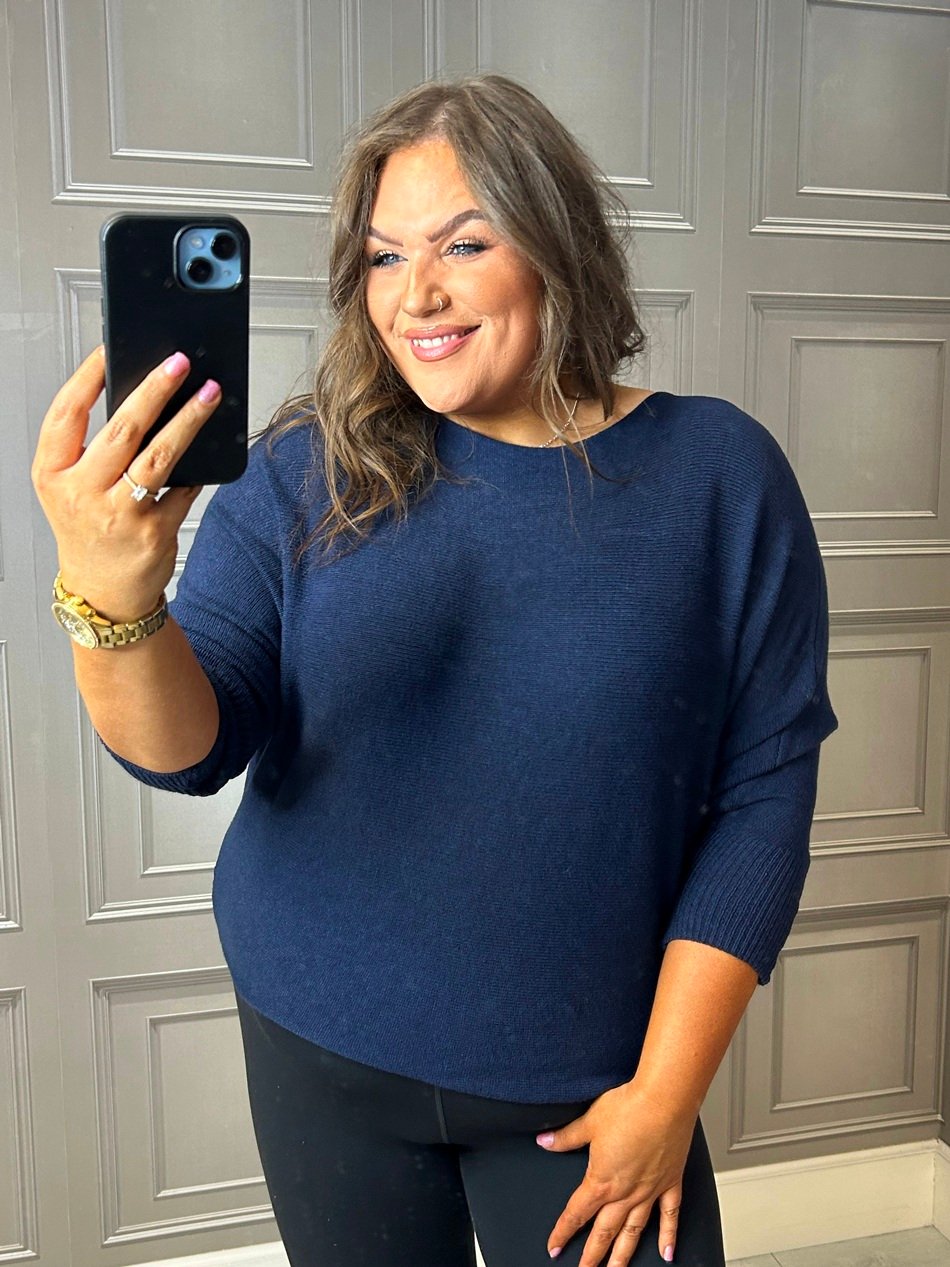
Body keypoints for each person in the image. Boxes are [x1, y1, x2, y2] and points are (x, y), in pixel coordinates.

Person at [31, 73, 838, 1267]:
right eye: (382, 255)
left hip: (585, 1082)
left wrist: (666, 1096)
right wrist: (114, 596)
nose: (417, 294)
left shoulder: (716, 475)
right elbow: (186, 750)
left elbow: (764, 797)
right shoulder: (304, 467)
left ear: (555, 247)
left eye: (464, 242)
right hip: (317, 1043)